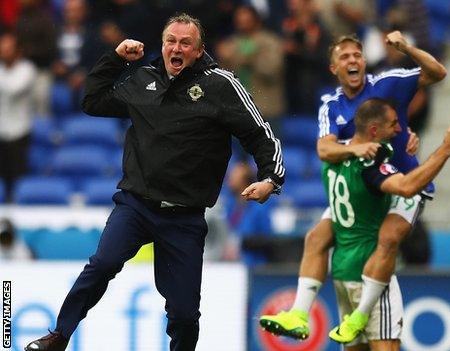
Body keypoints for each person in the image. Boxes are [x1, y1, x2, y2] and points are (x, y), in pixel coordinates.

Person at [24, 13, 284, 351]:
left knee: (184, 313)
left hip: (184, 216)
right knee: (102, 264)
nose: (176, 48)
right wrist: (114, 59)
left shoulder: (221, 85)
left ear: (199, 49)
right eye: (170, 41)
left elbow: (260, 134)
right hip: (136, 204)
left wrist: (271, 178)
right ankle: (59, 336)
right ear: (162, 46)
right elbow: (92, 101)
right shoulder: (143, 79)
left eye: (185, 43)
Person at [259, 31, 446, 341]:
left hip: (401, 183)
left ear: (364, 62)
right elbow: (324, 150)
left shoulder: (388, 83)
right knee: (316, 236)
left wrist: (407, 48)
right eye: (344, 57)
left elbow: (438, 73)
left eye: (356, 55)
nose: (352, 60)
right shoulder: (330, 107)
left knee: (389, 236)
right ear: (334, 69)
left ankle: (360, 316)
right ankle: (299, 315)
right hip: (362, 193)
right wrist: (355, 148)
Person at [320, 99, 450, 347]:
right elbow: (406, 187)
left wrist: (405, 146)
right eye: (394, 124)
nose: (399, 129)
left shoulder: (334, 155)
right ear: (374, 130)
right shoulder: (370, 163)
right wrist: (446, 149)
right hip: (371, 270)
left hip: (342, 270)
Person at [0, 31, 36, 203]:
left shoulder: (27, 69)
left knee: (18, 176)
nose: (4, 52)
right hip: (2, 129)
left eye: (8, 49)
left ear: (17, 50)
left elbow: (14, 89)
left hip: (20, 130)